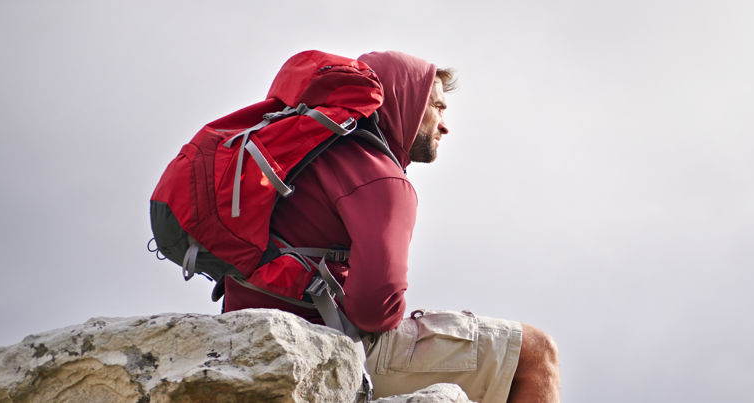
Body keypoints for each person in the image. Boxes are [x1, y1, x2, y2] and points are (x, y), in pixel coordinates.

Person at [221, 50, 560, 403]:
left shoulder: (306, 152)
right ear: (404, 102)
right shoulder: (381, 178)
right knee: (536, 354)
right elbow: (374, 312)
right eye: (437, 107)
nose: (445, 125)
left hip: (246, 332)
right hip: (321, 342)